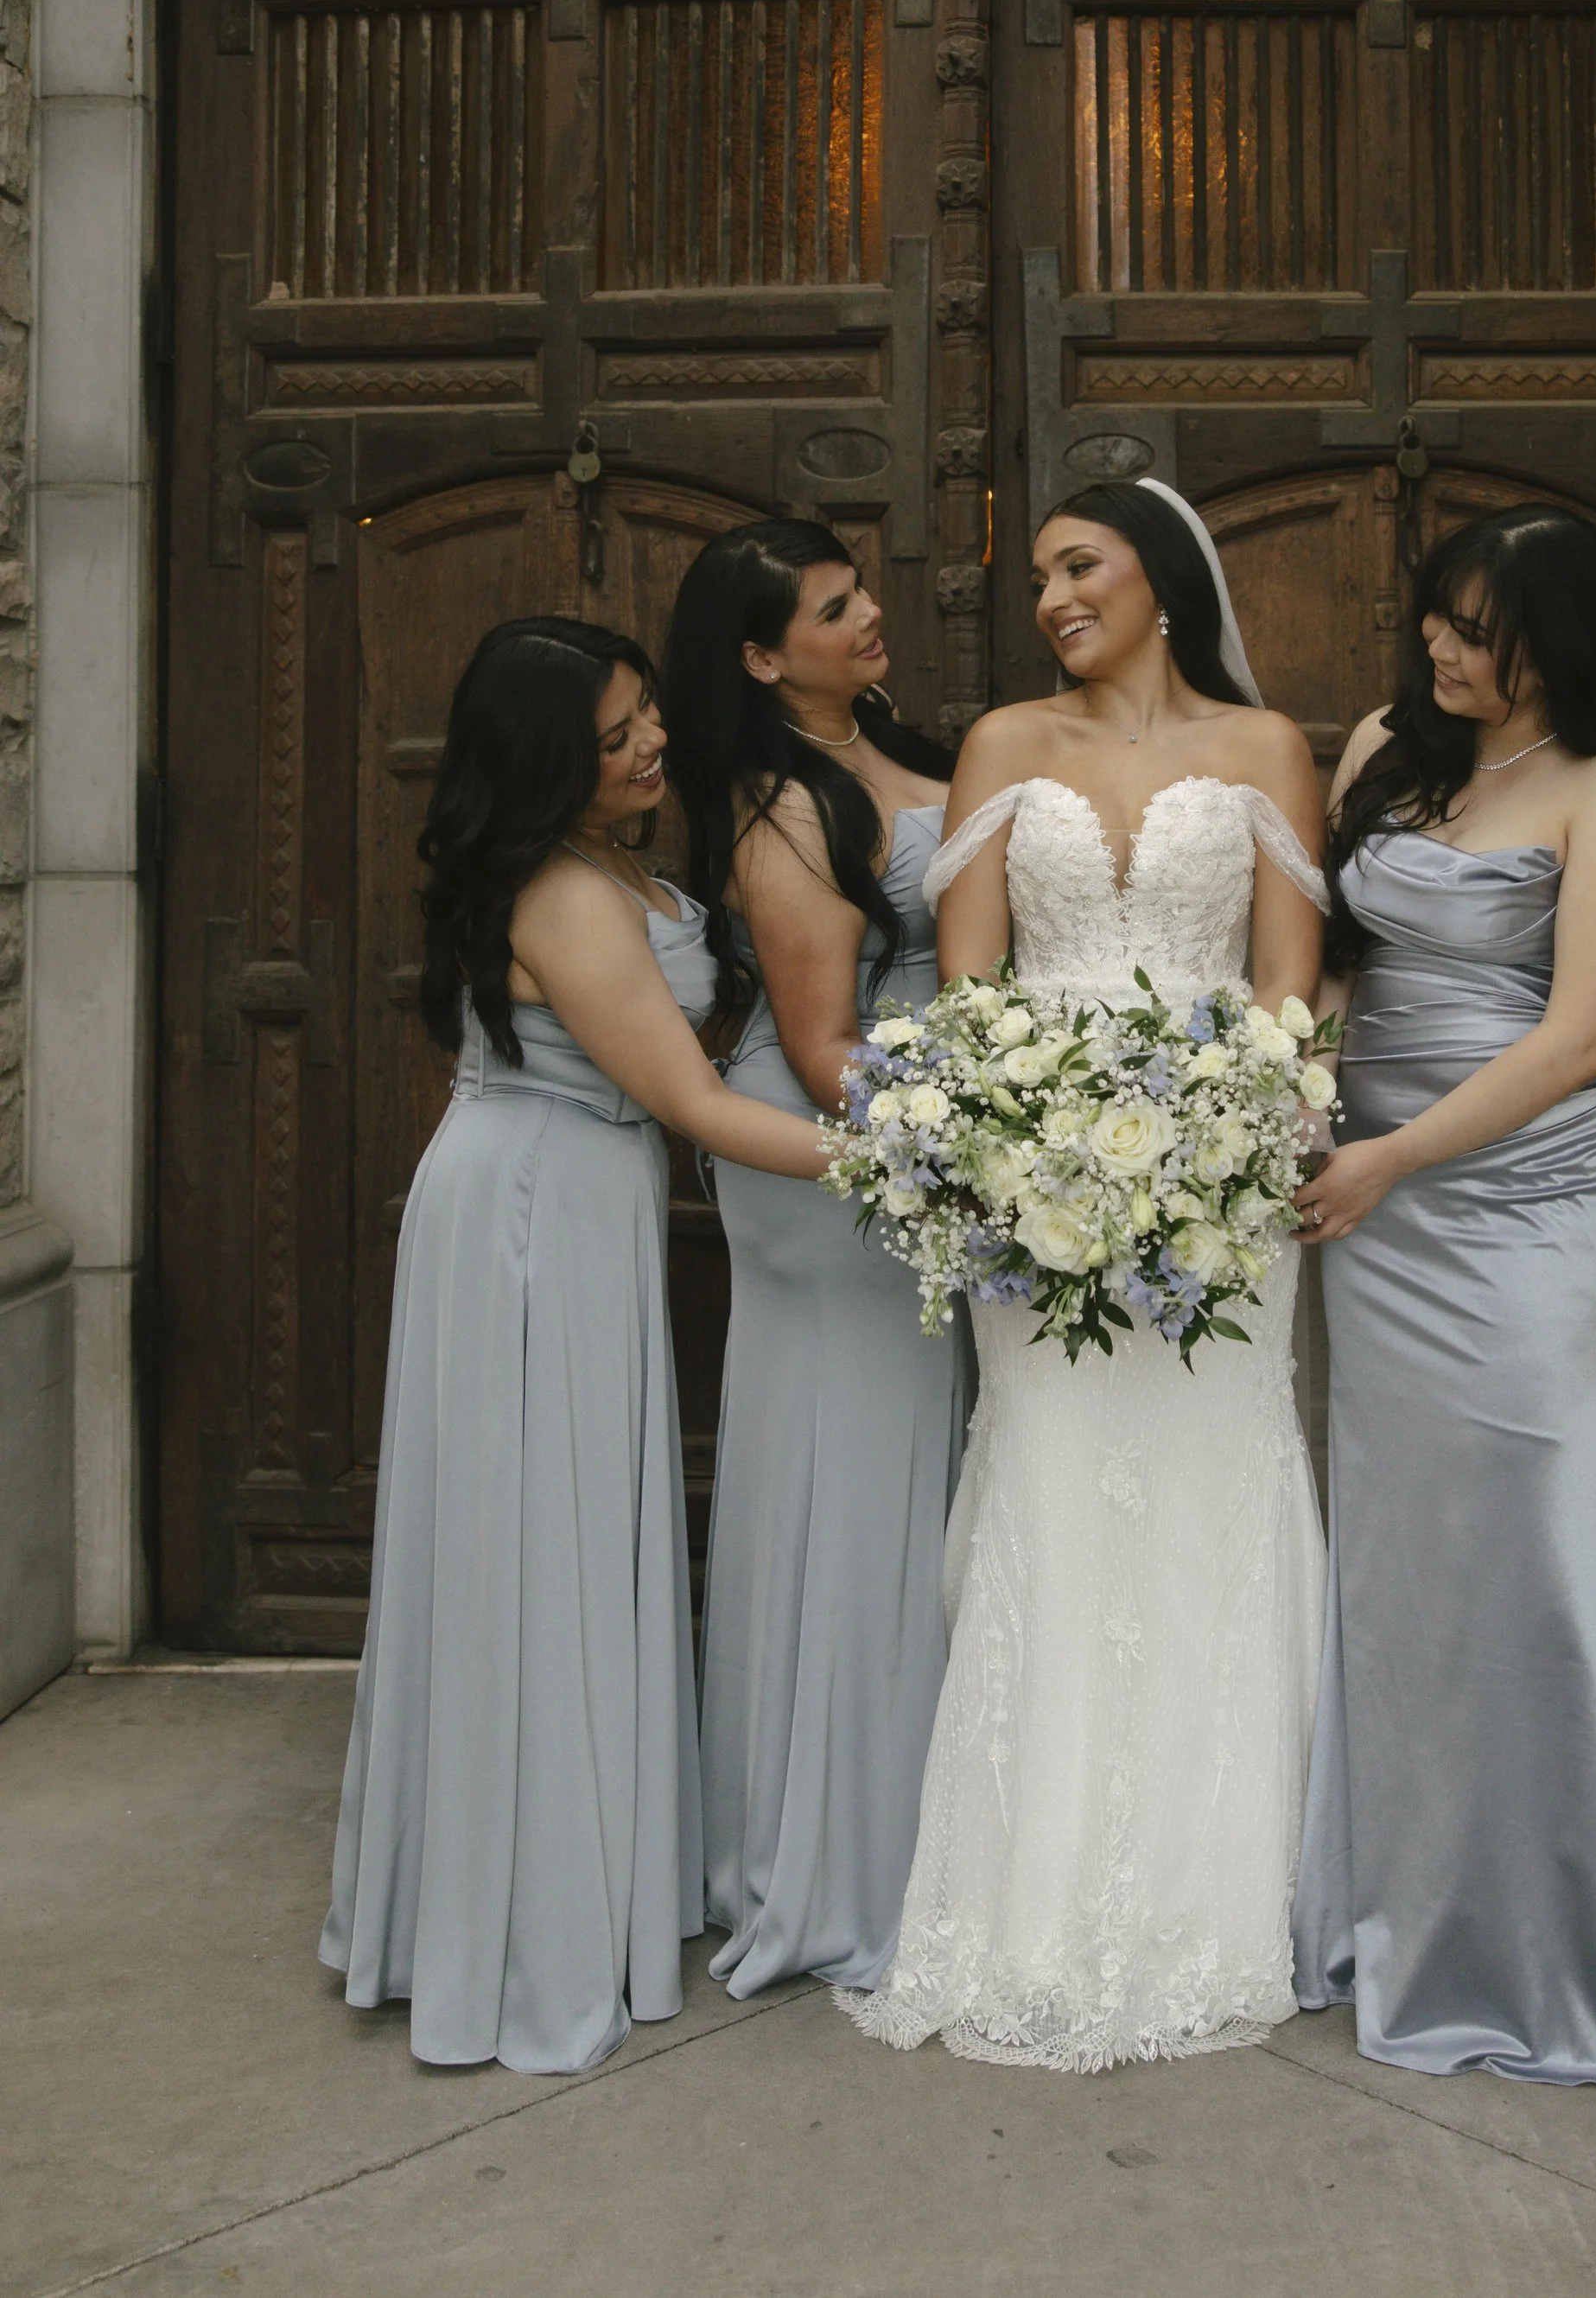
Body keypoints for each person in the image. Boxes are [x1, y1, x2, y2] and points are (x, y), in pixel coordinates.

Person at [846, 479, 1329, 2072]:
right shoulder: (1004, 745)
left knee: (1212, 1492)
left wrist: (1236, 1135)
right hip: (1032, 1187)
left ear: (1166, 580)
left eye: (1080, 566)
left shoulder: (1266, 754)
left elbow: (1285, 987)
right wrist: (1011, 1138)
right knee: (1052, 1489)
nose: (1051, 597)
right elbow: (969, 981)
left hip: (1218, 1208)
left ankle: (1219, 1897)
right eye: (1038, 576)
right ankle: (1030, 1896)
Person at [321, 617, 830, 2076]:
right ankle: (512, 1922)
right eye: (613, 738)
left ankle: (576, 1871)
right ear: (547, 762)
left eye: (647, 715)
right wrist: (924, 1160)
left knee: (568, 1535)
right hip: (527, 1222)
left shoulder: (619, 867)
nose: (651, 744)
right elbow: (701, 1106)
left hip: (584, 1206)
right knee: (522, 1550)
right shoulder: (562, 893)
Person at [1289, 504, 1596, 2085]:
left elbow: (1576, 1044)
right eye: (1436, 620)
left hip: (1518, 1193)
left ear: (1562, 640)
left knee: (1529, 1521)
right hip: (1372, 1185)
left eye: (1476, 629)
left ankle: (1558, 1940)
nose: (1439, 648)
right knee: (1404, 1546)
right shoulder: (1387, 755)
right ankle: (1400, 1896)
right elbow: (1343, 945)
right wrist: (1309, 1070)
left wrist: (1394, 1159)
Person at [663, 525, 963, 2000]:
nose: (870, 619)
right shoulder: (781, 805)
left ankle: (914, 1822)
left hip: (918, 1147)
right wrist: (984, 1152)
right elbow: (822, 1044)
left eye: (863, 595)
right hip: (839, 1162)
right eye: (836, 611)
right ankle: (835, 1858)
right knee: (854, 1489)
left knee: (909, 1481)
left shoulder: (893, 744)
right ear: (761, 657)